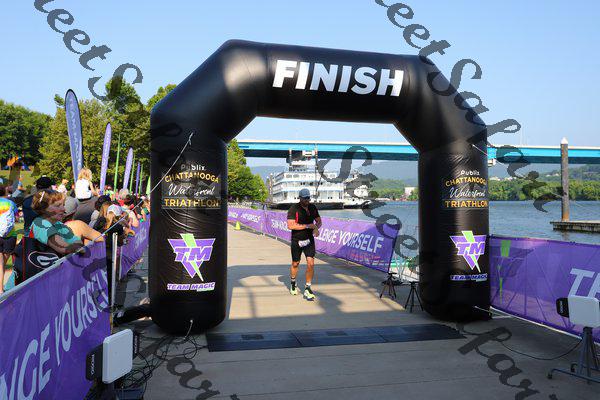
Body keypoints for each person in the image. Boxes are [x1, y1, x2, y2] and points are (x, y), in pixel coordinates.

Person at [30, 190, 103, 255]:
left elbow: (76, 241)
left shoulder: (58, 224)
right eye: (57, 206)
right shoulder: (40, 223)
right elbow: (62, 247)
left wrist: (78, 246)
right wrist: (78, 248)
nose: (63, 209)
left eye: (63, 205)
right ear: (43, 209)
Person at [286, 188, 322, 300]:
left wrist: (316, 228)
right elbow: (290, 225)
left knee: (311, 263)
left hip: (309, 240)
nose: (307, 200)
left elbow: (319, 221)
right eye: (305, 198)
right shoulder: (294, 209)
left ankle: (307, 288)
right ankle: (293, 283)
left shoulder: (312, 207)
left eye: (308, 198)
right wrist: (307, 226)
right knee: (295, 263)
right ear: (300, 198)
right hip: (297, 240)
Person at [0, 186, 18, 294]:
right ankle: (1, 289)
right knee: (3, 264)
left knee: (0, 264)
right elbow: (16, 218)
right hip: (10, 236)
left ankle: (0, 289)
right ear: (5, 192)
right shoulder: (11, 203)